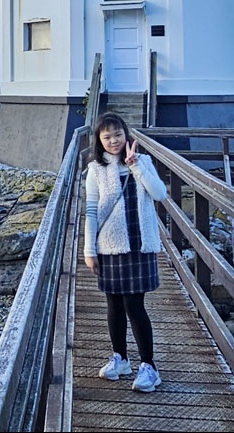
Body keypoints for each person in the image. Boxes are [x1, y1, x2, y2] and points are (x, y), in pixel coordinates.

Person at [83, 111, 167, 392]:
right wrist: (89, 249)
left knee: (134, 305)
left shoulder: (143, 161)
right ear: (99, 140)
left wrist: (135, 166)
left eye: (117, 134)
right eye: (106, 136)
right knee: (114, 306)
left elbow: (159, 194)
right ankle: (120, 358)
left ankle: (149, 366)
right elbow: (91, 210)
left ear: (126, 134)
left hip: (139, 245)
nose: (113, 140)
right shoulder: (95, 169)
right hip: (110, 246)